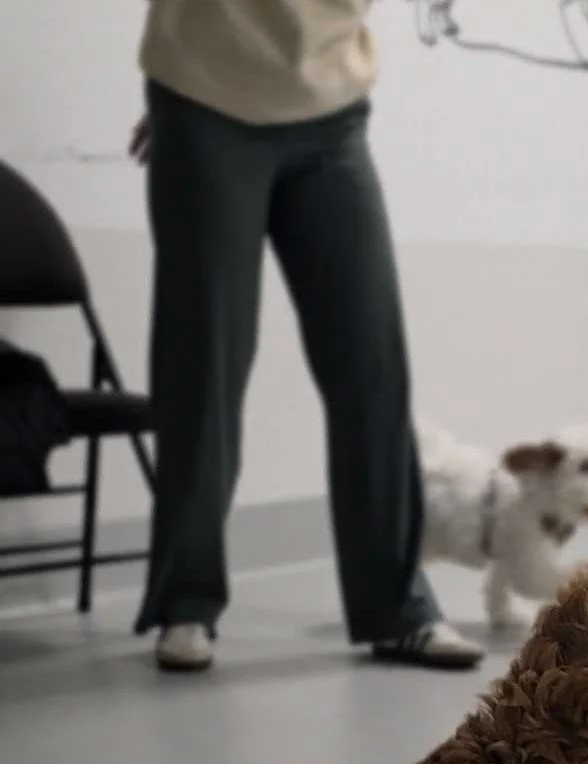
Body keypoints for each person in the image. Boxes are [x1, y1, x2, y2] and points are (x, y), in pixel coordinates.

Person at [132, 0, 485, 670]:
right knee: (204, 364)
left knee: (371, 367)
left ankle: (397, 608)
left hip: (331, 110)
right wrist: (181, 106)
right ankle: (186, 604)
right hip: (204, 101)